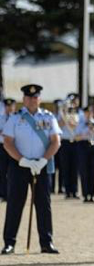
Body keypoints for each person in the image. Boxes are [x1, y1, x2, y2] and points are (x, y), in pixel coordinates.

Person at [1, 84, 61, 255]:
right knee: (14, 204)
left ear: (39, 99)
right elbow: (7, 142)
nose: (32, 100)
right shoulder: (15, 118)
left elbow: (55, 141)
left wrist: (43, 160)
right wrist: (23, 160)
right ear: (24, 99)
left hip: (41, 165)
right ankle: (9, 243)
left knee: (43, 205)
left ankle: (46, 242)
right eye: (29, 97)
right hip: (20, 165)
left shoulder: (49, 118)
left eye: (35, 97)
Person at [74, 106, 94, 203]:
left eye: (90, 112)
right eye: (87, 112)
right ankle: (85, 194)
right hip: (83, 146)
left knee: (93, 171)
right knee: (84, 171)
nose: (89, 114)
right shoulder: (80, 124)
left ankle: (92, 194)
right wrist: (85, 132)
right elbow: (76, 137)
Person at [57, 93, 82, 199]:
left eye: (75, 101)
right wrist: (64, 115)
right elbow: (58, 125)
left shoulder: (80, 113)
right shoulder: (62, 113)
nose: (74, 103)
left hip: (76, 142)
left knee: (75, 167)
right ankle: (67, 191)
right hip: (65, 142)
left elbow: (80, 125)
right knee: (65, 167)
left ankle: (75, 190)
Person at [0, 98, 17, 202]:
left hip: (13, 147)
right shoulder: (1, 118)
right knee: (2, 171)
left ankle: (12, 194)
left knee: (13, 171)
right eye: (7, 106)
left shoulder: (17, 118)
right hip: (2, 146)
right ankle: (3, 194)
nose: (9, 108)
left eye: (11, 106)